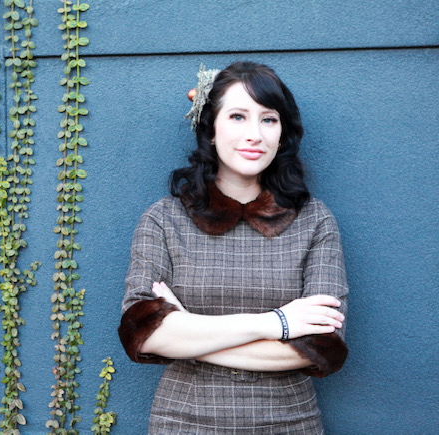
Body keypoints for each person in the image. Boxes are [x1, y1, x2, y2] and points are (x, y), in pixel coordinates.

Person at [118, 61, 348, 433]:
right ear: (211, 129)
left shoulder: (314, 221)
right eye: (238, 116)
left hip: (289, 423)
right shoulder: (163, 219)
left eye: (268, 119)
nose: (254, 134)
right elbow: (142, 335)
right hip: (185, 422)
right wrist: (278, 323)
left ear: (282, 134)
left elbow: (322, 347)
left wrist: (188, 332)